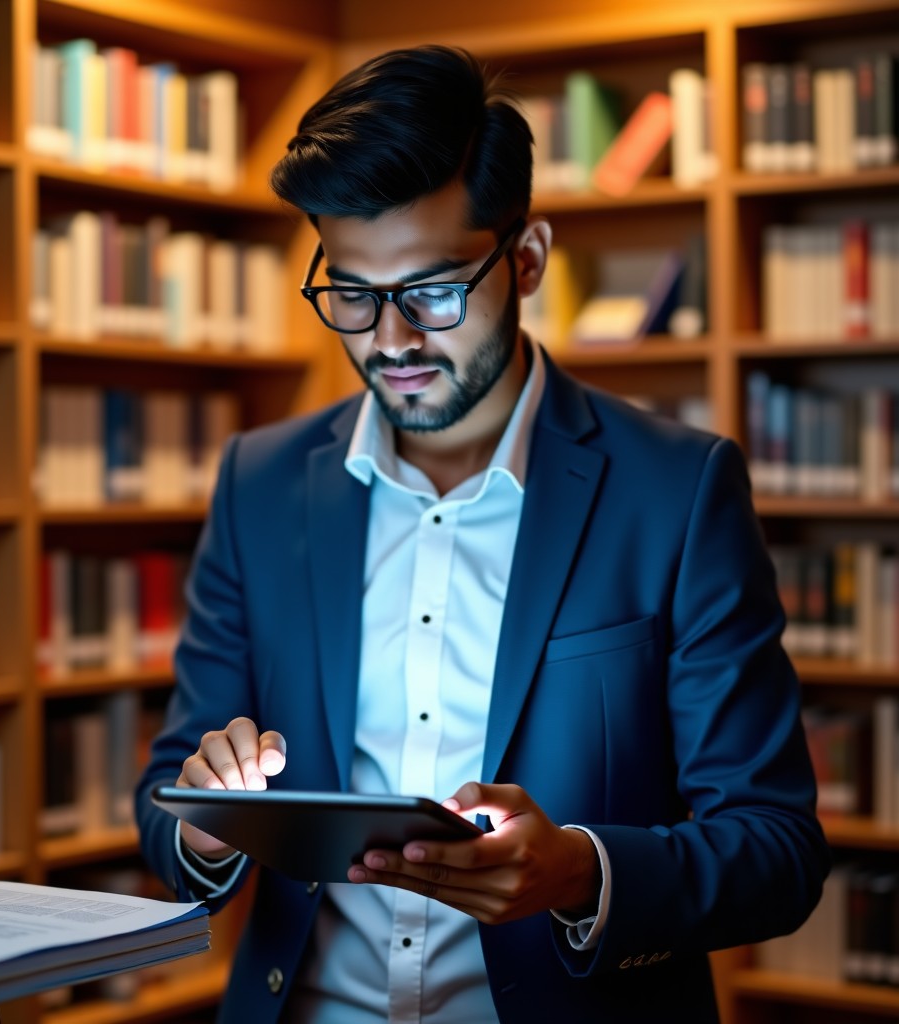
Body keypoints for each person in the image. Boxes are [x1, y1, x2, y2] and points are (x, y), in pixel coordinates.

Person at [135, 44, 830, 1024]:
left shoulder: (677, 490)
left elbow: (776, 849)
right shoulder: (261, 482)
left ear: (527, 257)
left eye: (432, 290)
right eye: (353, 293)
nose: (391, 341)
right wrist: (206, 825)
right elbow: (169, 792)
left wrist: (579, 872)